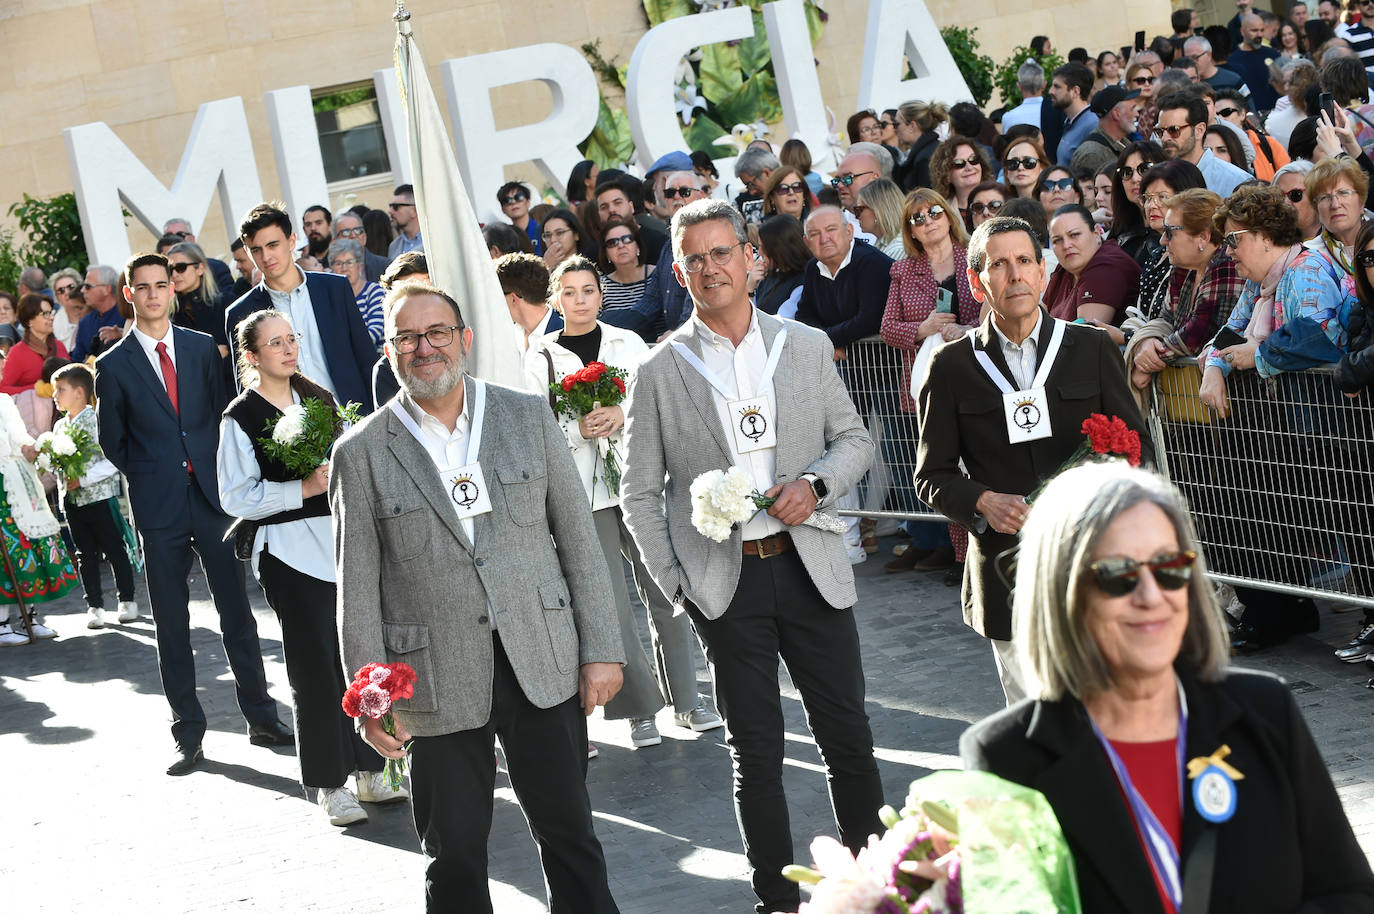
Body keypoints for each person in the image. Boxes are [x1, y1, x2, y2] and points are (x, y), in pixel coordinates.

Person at [961, 461, 1374, 914]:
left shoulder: (1264, 709)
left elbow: (1348, 893)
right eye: (1118, 573)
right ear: (1062, 591)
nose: (1151, 595)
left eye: (1170, 566)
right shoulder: (1005, 755)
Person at [621, 198, 882, 914]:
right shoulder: (659, 370)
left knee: (849, 741)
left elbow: (855, 440)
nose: (711, 268)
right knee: (755, 757)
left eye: (722, 252)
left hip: (810, 569)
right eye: (695, 259)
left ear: (750, 256)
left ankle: (878, 892)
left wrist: (817, 483)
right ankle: (778, 901)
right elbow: (639, 494)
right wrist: (680, 589)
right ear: (680, 270)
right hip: (724, 585)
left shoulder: (801, 345)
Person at [333, 281, 624, 912]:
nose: (424, 348)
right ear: (389, 353)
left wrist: (601, 647)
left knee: (571, 836)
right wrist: (370, 697)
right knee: (455, 854)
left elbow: (578, 541)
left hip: (541, 661)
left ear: (464, 340)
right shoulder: (359, 453)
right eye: (407, 338)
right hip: (430, 681)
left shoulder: (527, 416)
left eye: (437, 333)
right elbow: (357, 589)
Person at [914, 216, 1151, 705]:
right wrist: (982, 502)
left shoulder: (1089, 348)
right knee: (1039, 725)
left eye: (1024, 261)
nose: (1015, 274)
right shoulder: (951, 366)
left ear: (1043, 272)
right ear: (978, 284)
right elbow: (931, 476)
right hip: (1007, 571)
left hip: (1091, 564)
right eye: (998, 265)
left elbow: (1137, 447)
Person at [95, 252, 292, 775]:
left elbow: (225, 414)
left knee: (238, 613)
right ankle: (188, 733)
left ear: (173, 291)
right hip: (158, 506)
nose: (156, 293)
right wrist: (154, 470)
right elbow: (112, 441)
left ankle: (263, 716)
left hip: (212, 498)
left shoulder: (204, 349)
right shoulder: (112, 366)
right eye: (145, 286)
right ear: (130, 294)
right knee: (172, 624)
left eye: (164, 283)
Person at [534, 256, 720, 751]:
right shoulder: (539, 356)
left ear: (601, 294)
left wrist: (621, 413)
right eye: (569, 292)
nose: (580, 300)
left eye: (588, 290)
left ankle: (688, 698)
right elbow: (536, 427)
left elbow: (653, 403)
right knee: (610, 603)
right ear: (555, 300)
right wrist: (577, 428)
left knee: (665, 589)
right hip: (581, 492)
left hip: (638, 482)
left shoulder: (628, 343)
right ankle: (638, 709)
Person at [218, 309, 390, 826]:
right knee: (315, 667)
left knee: (358, 657)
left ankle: (372, 766)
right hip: (289, 552)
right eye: (275, 343)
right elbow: (235, 496)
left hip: (340, 544)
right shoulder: (240, 416)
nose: (288, 349)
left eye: (291, 339)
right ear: (252, 356)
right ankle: (328, 782)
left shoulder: (319, 399)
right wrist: (301, 488)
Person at [880, 188, 982, 575]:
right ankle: (960, 557)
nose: (927, 221)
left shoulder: (975, 257)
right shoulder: (903, 270)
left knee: (975, 466)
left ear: (948, 215)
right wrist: (921, 329)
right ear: (910, 230)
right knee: (946, 469)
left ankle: (977, 551)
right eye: (916, 218)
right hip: (929, 383)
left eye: (933, 212)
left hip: (976, 375)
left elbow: (994, 314)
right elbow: (887, 328)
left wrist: (966, 328)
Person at [227, 203, 378, 412]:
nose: (266, 257)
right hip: (291, 435)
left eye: (273, 245)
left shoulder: (335, 288)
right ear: (247, 251)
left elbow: (366, 359)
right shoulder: (240, 313)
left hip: (353, 419)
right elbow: (247, 388)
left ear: (292, 241)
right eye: (256, 250)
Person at [1126, 188, 1239, 399]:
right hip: (1191, 406)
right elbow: (1165, 319)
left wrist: (1147, 361)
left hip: (1237, 406)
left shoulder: (1227, 264)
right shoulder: (1182, 266)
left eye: (1170, 232)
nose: (1162, 241)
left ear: (1203, 237)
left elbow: (1199, 332)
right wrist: (1147, 341)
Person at [50, 363, 138, 631]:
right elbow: (57, 463)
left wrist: (83, 478)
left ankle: (127, 600)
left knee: (114, 549)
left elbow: (111, 460)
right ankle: (95, 605)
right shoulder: (59, 426)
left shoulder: (97, 419)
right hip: (73, 501)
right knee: (84, 554)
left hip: (99, 499)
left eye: (60, 390)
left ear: (79, 392)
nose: (55, 396)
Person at [0, 386, 77, 647]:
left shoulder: (5, 401)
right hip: (2, 486)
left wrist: (37, 448)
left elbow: (19, 437)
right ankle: (1, 624)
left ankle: (29, 617)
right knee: (7, 551)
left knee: (30, 545)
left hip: (20, 481)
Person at [1045, 205, 1143, 326]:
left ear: (1096, 233)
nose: (1066, 245)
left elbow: (1083, 335)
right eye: (1057, 240)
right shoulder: (1066, 265)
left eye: (1074, 234)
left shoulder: (1106, 267)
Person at [1154, 91, 1252, 195]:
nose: (1164, 138)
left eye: (1174, 130)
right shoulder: (1155, 177)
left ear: (1199, 130)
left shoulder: (1237, 181)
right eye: (1159, 131)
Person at [0, 295, 67, 395]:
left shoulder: (59, 346)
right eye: (45, 314)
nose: (52, 317)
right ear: (29, 321)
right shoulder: (17, 353)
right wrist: (37, 389)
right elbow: (2, 389)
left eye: (51, 313)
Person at [596, 218, 655, 328]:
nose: (621, 245)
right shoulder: (601, 286)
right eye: (612, 243)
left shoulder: (657, 275)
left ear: (638, 246)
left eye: (627, 239)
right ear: (606, 254)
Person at [327, 237, 385, 348]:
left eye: (350, 262)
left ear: (360, 266)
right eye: (338, 263)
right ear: (331, 269)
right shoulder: (331, 300)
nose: (344, 268)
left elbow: (373, 334)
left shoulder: (374, 292)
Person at [1071, 87, 1141, 177]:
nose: (1137, 114)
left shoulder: (1123, 142)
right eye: (1132, 109)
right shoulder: (1092, 155)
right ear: (1116, 113)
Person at [752, 214, 809, 317]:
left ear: (779, 249)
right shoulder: (769, 275)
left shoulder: (803, 282)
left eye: (763, 247)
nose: (759, 253)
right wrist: (749, 287)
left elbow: (781, 323)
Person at [931, 136, 993, 229]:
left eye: (973, 159)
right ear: (945, 173)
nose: (969, 167)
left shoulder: (1001, 199)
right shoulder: (941, 213)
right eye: (959, 163)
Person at [1050, 62, 1101, 166]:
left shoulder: (1092, 124)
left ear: (1075, 91)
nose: (1051, 91)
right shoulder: (1070, 121)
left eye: (1057, 87)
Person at [72, 265, 126, 361]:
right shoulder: (84, 323)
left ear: (107, 289)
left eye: (88, 287)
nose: (82, 290)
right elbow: (77, 360)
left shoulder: (127, 314)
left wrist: (122, 334)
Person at [332, 210, 393, 284]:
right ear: (335, 240)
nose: (353, 236)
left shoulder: (386, 266)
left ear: (364, 237)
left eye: (358, 231)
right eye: (346, 232)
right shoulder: (332, 273)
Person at [855, 178, 909, 260]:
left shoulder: (898, 249)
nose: (857, 216)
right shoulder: (883, 244)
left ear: (877, 210)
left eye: (858, 210)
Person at [541, 206, 595, 272]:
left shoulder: (592, 263)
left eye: (559, 233)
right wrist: (546, 267)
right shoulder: (540, 266)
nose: (553, 240)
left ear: (576, 234)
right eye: (548, 235)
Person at [496, 181, 541, 255]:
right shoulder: (504, 238)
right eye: (507, 200)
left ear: (528, 202)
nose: (513, 202)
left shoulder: (542, 231)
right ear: (503, 209)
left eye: (518, 197)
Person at [50, 268, 85, 351]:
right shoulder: (54, 325)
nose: (67, 292)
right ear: (57, 298)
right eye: (61, 290)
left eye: (71, 287)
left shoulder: (94, 311)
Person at [387, 184, 423, 257]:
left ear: (414, 210)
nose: (390, 211)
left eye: (396, 207)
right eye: (390, 206)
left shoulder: (432, 238)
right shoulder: (394, 246)